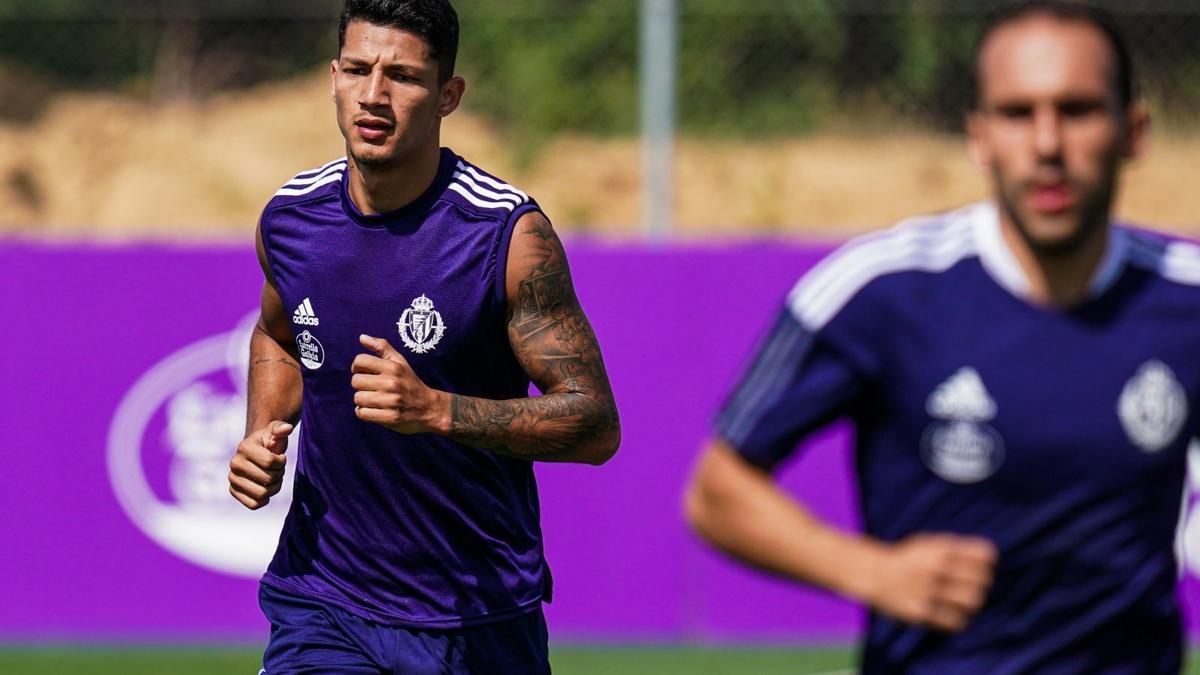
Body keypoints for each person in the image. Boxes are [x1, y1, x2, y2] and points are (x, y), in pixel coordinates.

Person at [685, 2, 1199, 672]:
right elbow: (717, 490)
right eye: (1017, 114)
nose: (1047, 144)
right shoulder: (879, 291)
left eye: (1077, 110)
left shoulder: (1185, 299)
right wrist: (869, 570)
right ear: (978, 135)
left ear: (1133, 131)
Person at [226, 1, 620, 672]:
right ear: (333, 77)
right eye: (357, 69)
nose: (373, 95)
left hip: (476, 613)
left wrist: (437, 410)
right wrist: (263, 432)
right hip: (325, 598)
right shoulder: (291, 220)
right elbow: (279, 335)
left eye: (403, 77)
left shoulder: (505, 235)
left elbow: (594, 423)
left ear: (448, 95)